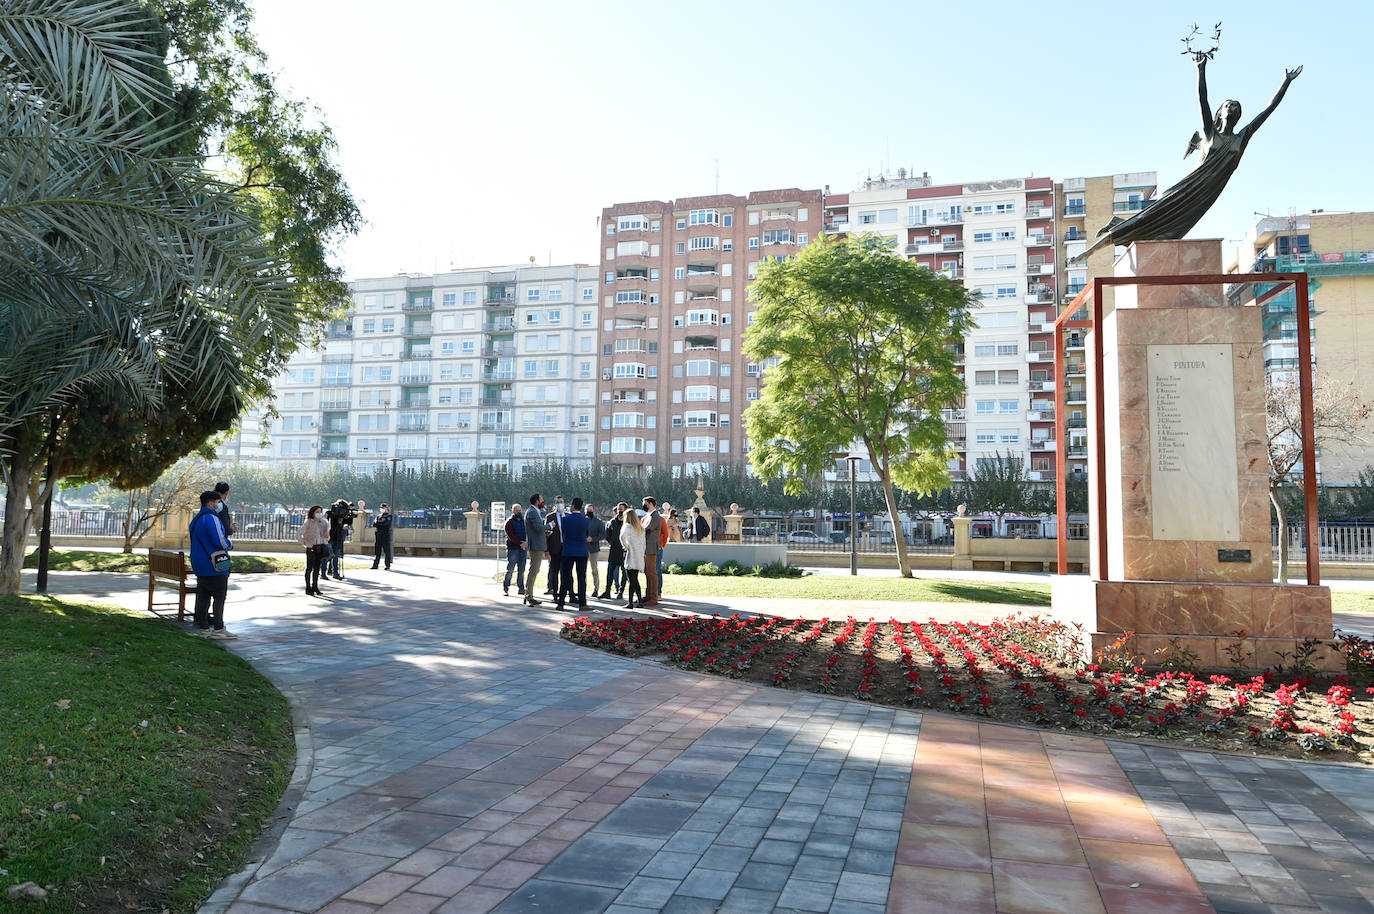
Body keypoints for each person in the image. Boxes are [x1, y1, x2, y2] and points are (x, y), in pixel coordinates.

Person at [189, 490, 235, 639]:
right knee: (219, 596)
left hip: (199, 563)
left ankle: (203, 627)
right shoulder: (212, 518)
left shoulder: (196, 519)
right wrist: (230, 544)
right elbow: (219, 541)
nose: (218, 504)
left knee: (203, 596)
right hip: (215, 565)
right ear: (210, 503)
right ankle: (218, 628)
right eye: (217, 502)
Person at [555, 498, 590, 611]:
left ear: (573, 506)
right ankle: (582, 604)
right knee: (581, 578)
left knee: (565, 577)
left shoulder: (565, 519)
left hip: (568, 550)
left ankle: (561, 603)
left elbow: (563, 533)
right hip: (582, 551)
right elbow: (586, 534)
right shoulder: (585, 520)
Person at [296, 505, 330, 596]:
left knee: (316, 569)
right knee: (309, 568)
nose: (319, 514)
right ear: (313, 513)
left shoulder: (324, 523)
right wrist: (305, 543)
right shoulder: (308, 522)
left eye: (320, 512)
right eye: (317, 512)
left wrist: (327, 537)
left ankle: (315, 586)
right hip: (311, 548)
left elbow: (326, 536)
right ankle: (308, 587)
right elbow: (299, 534)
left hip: (320, 547)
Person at [522, 494, 547, 607]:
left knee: (534, 570)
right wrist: (550, 525)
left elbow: (537, 528)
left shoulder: (535, 511)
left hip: (538, 545)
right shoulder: (532, 512)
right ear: (537, 501)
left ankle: (528, 595)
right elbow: (538, 528)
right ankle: (529, 596)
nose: (543, 501)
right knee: (533, 571)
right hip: (536, 546)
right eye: (541, 499)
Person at [620, 505, 646, 609]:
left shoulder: (628, 527)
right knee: (634, 579)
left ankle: (631, 603)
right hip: (639, 555)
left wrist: (626, 546)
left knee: (631, 580)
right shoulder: (641, 528)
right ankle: (638, 601)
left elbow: (622, 537)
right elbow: (644, 543)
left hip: (631, 555)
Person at [602, 503, 626, 599]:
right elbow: (607, 535)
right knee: (610, 571)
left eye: (622, 509)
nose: (620, 511)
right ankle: (607, 591)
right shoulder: (612, 522)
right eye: (618, 509)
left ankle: (621, 591)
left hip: (624, 551)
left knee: (624, 572)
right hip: (614, 550)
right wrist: (613, 542)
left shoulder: (628, 522)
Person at [325, 499, 353, 580]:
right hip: (332, 536)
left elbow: (348, 522)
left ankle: (333, 572)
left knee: (334, 555)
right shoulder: (332, 513)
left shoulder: (337, 514)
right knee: (331, 555)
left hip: (337, 536)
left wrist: (350, 516)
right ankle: (329, 572)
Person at [642, 497, 662, 606]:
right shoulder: (649, 516)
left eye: (645, 503)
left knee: (652, 573)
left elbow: (647, 529)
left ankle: (654, 597)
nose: (643, 505)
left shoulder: (655, 516)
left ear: (650, 504)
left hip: (651, 548)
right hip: (646, 548)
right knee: (647, 572)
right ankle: (648, 595)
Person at [503, 502, 527, 597]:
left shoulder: (523, 521)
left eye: (520, 510)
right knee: (510, 569)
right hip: (513, 549)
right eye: (517, 510)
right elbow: (511, 536)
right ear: (513, 511)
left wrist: (525, 543)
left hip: (522, 549)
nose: (519, 512)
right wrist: (520, 543)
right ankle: (506, 587)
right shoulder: (509, 522)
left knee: (521, 570)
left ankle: (521, 588)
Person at [585, 505, 605, 599]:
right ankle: (583, 588)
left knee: (594, 570)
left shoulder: (599, 522)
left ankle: (596, 589)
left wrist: (592, 539)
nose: (589, 512)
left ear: (594, 511)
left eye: (590, 510)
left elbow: (603, 535)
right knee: (582, 570)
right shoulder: (583, 521)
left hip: (593, 549)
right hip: (583, 549)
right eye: (587, 510)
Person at [544, 501, 563, 598]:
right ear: (555, 505)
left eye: (562, 502)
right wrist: (546, 550)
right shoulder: (550, 517)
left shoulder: (567, 516)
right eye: (558, 502)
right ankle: (555, 593)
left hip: (566, 549)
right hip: (554, 549)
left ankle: (566, 592)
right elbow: (546, 534)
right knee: (554, 572)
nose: (561, 504)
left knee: (566, 572)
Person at [371, 503, 394, 570]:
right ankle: (375, 565)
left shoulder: (389, 516)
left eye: (383, 508)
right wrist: (380, 522)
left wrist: (379, 523)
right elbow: (374, 524)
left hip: (385, 535)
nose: (382, 509)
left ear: (386, 508)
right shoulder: (378, 516)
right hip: (378, 535)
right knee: (377, 551)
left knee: (387, 551)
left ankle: (387, 565)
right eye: (381, 508)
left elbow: (386, 524)